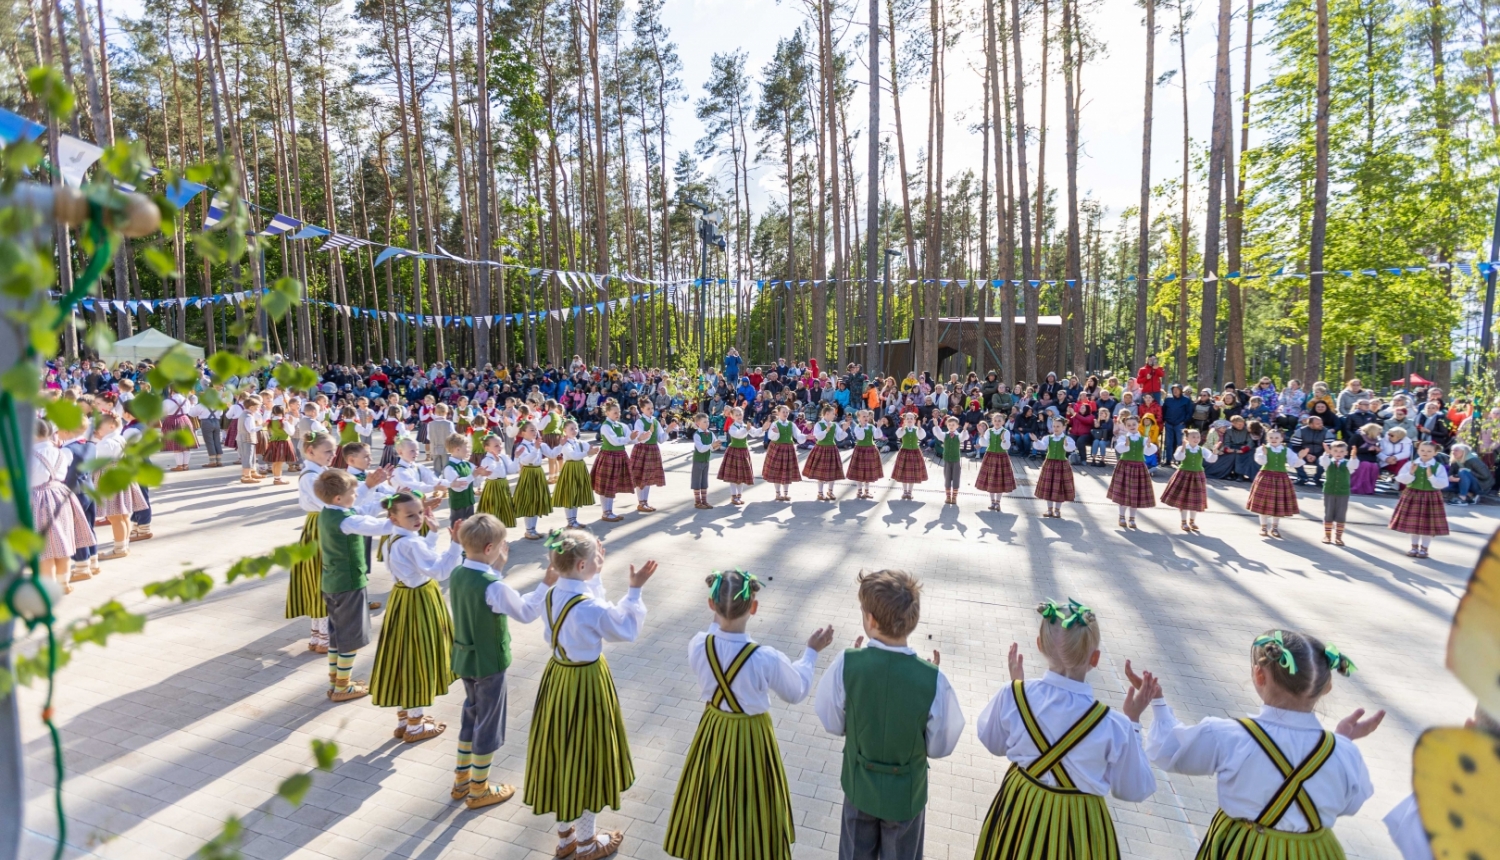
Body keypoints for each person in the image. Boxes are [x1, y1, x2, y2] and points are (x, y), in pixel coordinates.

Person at [1141, 630, 1381, 860]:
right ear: (1327, 686)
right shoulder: (1343, 751)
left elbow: (1169, 751)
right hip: (1315, 851)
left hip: (1244, 848)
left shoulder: (1230, 735)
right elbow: (1351, 804)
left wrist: (1159, 704)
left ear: (1259, 675)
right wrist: (1340, 741)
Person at [662, 569, 834, 860]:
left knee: (712, 793)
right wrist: (811, 653)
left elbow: (714, 647)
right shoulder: (763, 657)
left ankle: (712, 847)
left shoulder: (698, 644)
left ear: (710, 604)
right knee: (752, 798)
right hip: (752, 736)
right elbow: (796, 691)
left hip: (713, 730)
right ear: (754, 607)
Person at [973, 599, 1157, 859]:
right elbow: (1135, 788)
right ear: (1095, 658)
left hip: (1020, 812)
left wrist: (1017, 689)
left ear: (1039, 645)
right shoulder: (1114, 725)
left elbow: (992, 742)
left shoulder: (1013, 694)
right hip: (1080, 826)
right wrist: (1133, 721)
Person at [523, 527, 657, 860]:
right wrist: (635, 591)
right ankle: (586, 844)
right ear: (581, 566)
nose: (601, 560)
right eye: (596, 557)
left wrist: (594, 572)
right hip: (586, 684)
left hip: (557, 679)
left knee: (562, 755)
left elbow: (586, 602)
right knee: (587, 759)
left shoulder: (552, 593)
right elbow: (624, 628)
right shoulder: (589, 609)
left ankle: (566, 835)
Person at [813, 569, 963, 860]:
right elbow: (940, 745)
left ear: (869, 619)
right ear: (912, 621)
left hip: (859, 787)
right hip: (906, 796)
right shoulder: (934, 679)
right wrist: (927, 678)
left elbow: (831, 720)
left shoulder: (847, 663)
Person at [447, 514, 551, 810]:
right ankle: (479, 789)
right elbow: (526, 612)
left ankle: (461, 780)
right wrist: (546, 583)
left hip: (465, 658)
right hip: (489, 663)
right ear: (492, 547)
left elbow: (486, 592)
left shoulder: (458, 573)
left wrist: (498, 569)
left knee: (471, 715)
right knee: (488, 724)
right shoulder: (494, 585)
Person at [367, 485, 461, 740]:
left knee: (402, 656)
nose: (418, 518)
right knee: (419, 657)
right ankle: (416, 726)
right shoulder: (410, 543)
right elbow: (439, 571)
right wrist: (455, 546)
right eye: (410, 515)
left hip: (401, 597)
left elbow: (420, 558)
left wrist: (431, 535)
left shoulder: (393, 539)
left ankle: (405, 719)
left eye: (420, 512)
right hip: (419, 600)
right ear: (393, 517)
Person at [312, 469, 399, 703]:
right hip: (349, 583)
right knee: (351, 637)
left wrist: (386, 503)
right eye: (353, 491)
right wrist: (406, 516)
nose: (356, 494)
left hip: (332, 582)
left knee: (337, 637)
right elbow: (378, 527)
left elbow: (362, 510)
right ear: (339, 498)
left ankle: (336, 681)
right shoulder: (347, 520)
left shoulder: (329, 512)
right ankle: (343, 686)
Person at [31, 419, 95, 595]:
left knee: (45, 549)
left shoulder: (29, 456)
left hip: (38, 498)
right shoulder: (62, 452)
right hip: (61, 495)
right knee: (62, 543)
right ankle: (63, 583)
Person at [1391, 441, 1449, 558]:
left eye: (1429, 451)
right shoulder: (1410, 464)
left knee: (1428, 525)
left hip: (1431, 496)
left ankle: (1424, 549)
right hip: (1413, 495)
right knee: (1414, 524)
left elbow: (1443, 484)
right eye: (1422, 450)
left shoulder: (1438, 467)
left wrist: (1431, 476)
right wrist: (1411, 473)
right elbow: (1401, 479)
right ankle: (1414, 547)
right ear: (1418, 451)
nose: (1425, 453)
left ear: (1435, 453)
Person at [1106, 415, 1158, 530]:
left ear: (1138, 424)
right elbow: (1119, 448)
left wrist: (1149, 445)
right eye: (1129, 425)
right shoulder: (1123, 438)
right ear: (1125, 426)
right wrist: (1126, 445)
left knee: (1135, 494)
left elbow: (1149, 452)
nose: (1132, 427)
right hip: (1125, 466)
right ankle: (1121, 517)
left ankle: (1132, 518)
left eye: (1134, 424)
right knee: (1123, 493)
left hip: (1139, 467)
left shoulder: (1143, 439)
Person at [1247, 428, 1298, 539]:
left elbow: (1293, 463)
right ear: (1267, 438)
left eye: (1276, 437)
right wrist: (1264, 454)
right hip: (1266, 476)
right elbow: (1261, 462)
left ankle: (1275, 527)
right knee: (1263, 503)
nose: (1273, 439)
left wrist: (1301, 457)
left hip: (1281, 478)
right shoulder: (1262, 449)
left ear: (1281, 439)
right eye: (1271, 437)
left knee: (1277, 504)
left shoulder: (1286, 450)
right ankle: (1263, 526)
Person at [1162, 428, 1216, 532]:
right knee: (1184, 499)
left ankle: (1192, 521)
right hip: (1184, 475)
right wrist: (1182, 448)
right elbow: (1178, 458)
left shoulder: (1202, 449)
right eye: (1193, 437)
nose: (1196, 439)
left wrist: (1214, 452)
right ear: (1187, 438)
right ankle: (1183, 521)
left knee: (1194, 500)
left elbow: (1211, 459)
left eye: (1198, 437)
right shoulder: (1182, 448)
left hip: (1197, 476)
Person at [591, 400, 636, 523]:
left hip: (619, 456)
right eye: (615, 412)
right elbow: (615, 441)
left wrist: (640, 438)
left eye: (619, 412)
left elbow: (631, 439)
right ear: (607, 413)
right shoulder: (606, 426)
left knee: (612, 484)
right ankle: (606, 512)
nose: (618, 414)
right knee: (606, 484)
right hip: (609, 456)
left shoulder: (621, 425)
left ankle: (609, 511)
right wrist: (629, 438)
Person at [547, 420, 596, 527]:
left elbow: (589, 452)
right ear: (564, 430)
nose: (574, 431)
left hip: (580, 468)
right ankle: (570, 521)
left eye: (576, 428)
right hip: (570, 469)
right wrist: (588, 453)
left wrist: (593, 451)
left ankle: (574, 520)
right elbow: (574, 455)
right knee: (570, 495)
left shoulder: (579, 442)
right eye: (571, 429)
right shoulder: (565, 444)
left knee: (576, 494)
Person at [513, 421, 554, 539]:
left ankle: (533, 529)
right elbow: (526, 461)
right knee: (529, 501)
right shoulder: (522, 446)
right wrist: (536, 449)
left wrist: (561, 445)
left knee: (536, 501)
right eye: (531, 430)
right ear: (523, 433)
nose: (535, 432)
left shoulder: (538, 444)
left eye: (535, 430)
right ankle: (529, 530)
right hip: (529, 473)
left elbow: (552, 454)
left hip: (538, 472)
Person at [1317, 441, 1361, 546]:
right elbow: (1323, 462)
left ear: (1346, 452)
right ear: (1331, 452)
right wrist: (1326, 453)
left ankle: (1338, 537)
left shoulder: (1348, 464)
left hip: (1343, 492)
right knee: (1328, 513)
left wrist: (1353, 457)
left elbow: (1354, 465)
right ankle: (1327, 535)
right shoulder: (1328, 463)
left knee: (1341, 514)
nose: (1338, 453)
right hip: (1329, 491)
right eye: (1335, 451)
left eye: (1341, 451)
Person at [1033, 418, 1078, 519]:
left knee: (1059, 488)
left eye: (1058, 426)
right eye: (1054, 426)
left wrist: (1066, 444)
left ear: (1063, 427)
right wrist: (1036, 440)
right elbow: (1042, 446)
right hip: (1049, 464)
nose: (1055, 428)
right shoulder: (1048, 438)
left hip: (1061, 464)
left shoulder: (1067, 438)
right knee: (1049, 487)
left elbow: (1071, 448)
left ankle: (1057, 510)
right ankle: (1049, 509)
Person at [802, 403, 848, 501]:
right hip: (821, 449)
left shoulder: (834, 425)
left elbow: (839, 437)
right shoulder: (819, 424)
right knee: (821, 472)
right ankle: (820, 493)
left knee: (832, 471)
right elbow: (818, 436)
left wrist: (843, 430)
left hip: (832, 448)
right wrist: (826, 430)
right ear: (827, 414)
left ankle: (830, 491)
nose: (834, 415)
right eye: (833, 413)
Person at [761, 404, 806, 502]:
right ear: (779, 413)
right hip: (777, 448)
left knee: (787, 471)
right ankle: (778, 493)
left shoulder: (791, 424)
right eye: (783, 412)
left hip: (788, 449)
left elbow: (798, 435)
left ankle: (785, 494)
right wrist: (776, 432)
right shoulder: (775, 424)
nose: (785, 414)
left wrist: (805, 437)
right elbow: (770, 436)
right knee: (777, 471)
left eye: (787, 412)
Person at [630, 400, 668, 513]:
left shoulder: (655, 421)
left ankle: (645, 502)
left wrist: (668, 430)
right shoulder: (639, 422)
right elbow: (640, 438)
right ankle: (641, 502)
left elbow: (660, 439)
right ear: (641, 409)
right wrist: (649, 433)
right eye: (648, 408)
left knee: (648, 476)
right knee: (641, 476)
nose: (651, 410)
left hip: (653, 449)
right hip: (642, 449)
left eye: (652, 408)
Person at [475, 433, 518, 529]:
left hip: (503, 486)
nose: (500, 447)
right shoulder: (487, 460)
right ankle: (493, 536)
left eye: (500, 444)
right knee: (494, 512)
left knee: (503, 512)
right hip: (493, 488)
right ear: (487, 448)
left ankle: (501, 537)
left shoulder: (502, 457)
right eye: (496, 445)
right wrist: (498, 462)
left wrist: (516, 457)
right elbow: (494, 473)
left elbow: (512, 469)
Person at [974, 416, 1017, 512]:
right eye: (995, 420)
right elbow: (985, 444)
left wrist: (1003, 440)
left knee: (999, 480)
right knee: (991, 479)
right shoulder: (989, 431)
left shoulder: (1005, 431)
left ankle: (998, 502)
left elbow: (1006, 446)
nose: (997, 422)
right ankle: (992, 502)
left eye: (999, 420)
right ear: (993, 421)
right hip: (990, 456)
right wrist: (981, 435)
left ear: (1003, 422)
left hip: (1001, 456)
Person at [717, 406, 755, 506]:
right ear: (732, 416)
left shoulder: (745, 425)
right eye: (736, 414)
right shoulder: (732, 427)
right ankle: (734, 496)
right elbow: (738, 435)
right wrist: (746, 429)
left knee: (741, 475)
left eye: (740, 414)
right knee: (733, 476)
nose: (739, 416)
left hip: (743, 452)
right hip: (734, 451)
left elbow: (755, 433)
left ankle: (739, 496)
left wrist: (763, 429)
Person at [437, 435, 477, 526]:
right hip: (458, 505)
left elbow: (475, 478)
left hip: (469, 502)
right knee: (458, 530)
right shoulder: (450, 467)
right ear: (457, 449)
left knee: (470, 529)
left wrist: (481, 473)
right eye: (466, 447)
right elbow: (459, 486)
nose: (469, 449)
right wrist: (474, 475)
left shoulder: (467, 464)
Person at [846, 409, 885, 500]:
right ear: (859, 418)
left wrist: (878, 427)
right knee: (859, 471)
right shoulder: (857, 427)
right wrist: (863, 427)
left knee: (868, 471)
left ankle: (867, 491)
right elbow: (860, 437)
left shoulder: (871, 426)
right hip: (860, 450)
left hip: (871, 449)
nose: (866, 418)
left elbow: (877, 436)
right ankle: (859, 490)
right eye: (863, 416)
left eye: (867, 416)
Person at [891, 412, 929, 501]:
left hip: (915, 452)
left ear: (914, 420)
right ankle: (904, 491)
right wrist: (903, 428)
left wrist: (920, 428)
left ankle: (910, 492)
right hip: (904, 452)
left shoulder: (917, 429)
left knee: (913, 472)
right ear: (904, 420)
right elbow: (899, 435)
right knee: (904, 472)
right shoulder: (902, 429)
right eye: (907, 418)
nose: (909, 420)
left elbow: (922, 437)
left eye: (911, 418)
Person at [931, 414, 968, 506]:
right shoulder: (945, 435)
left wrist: (964, 430)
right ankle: (948, 496)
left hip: (955, 460)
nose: (951, 426)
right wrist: (936, 425)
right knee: (947, 478)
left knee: (956, 478)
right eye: (949, 425)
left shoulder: (958, 436)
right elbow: (938, 434)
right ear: (947, 425)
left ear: (957, 426)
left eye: (953, 425)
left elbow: (964, 437)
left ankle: (954, 497)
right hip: (947, 459)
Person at [686, 413, 721, 510]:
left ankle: (704, 501)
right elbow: (701, 448)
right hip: (698, 460)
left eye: (708, 421)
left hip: (706, 460)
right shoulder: (697, 434)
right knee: (697, 480)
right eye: (704, 422)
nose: (707, 423)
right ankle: (697, 502)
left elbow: (712, 447)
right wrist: (711, 446)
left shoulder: (711, 433)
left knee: (704, 480)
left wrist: (717, 445)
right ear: (698, 424)